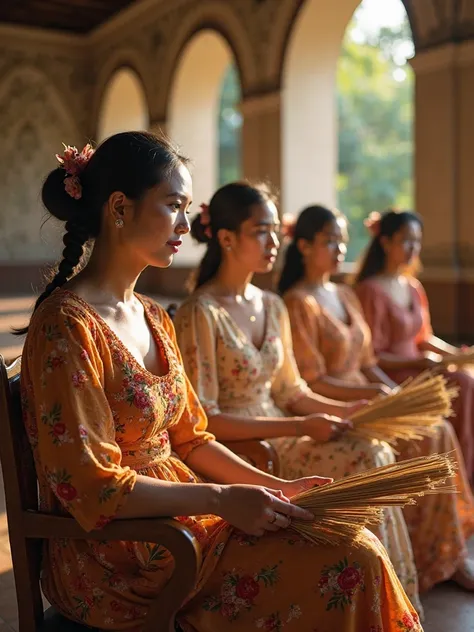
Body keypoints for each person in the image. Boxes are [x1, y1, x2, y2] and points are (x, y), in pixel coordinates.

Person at [18, 133, 421, 632]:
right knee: (348, 564)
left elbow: (191, 437)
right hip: (121, 556)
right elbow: (90, 486)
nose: (187, 226)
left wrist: (280, 489)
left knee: (353, 544)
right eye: (173, 207)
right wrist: (220, 499)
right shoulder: (65, 326)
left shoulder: (151, 316)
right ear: (119, 208)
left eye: (186, 208)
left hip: (183, 521)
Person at [174, 182, 421, 611]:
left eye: (275, 231)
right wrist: (300, 425)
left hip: (285, 430)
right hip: (247, 449)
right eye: (261, 232)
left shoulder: (271, 304)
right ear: (227, 238)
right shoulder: (201, 312)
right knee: (366, 458)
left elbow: (292, 390)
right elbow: (207, 419)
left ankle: (388, 604)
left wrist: (349, 409)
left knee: (372, 445)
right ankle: (371, 603)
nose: (274, 242)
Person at [278, 204, 474, 593]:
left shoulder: (345, 294)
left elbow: (368, 362)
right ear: (303, 246)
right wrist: (373, 393)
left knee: (437, 431)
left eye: (342, 241)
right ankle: (422, 557)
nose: (338, 249)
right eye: (329, 241)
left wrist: (394, 394)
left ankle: (440, 553)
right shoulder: (298, 302)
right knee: (426, 439)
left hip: (367, 395)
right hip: (337, 401)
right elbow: (314, 380)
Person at [354, 209, 474, 484]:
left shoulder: (412, 286)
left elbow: (424, 338)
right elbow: (372, 356)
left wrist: (456, 355)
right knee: (463, 386)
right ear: (385, 242)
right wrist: (419, 363)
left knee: (467, 381)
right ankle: (458, 476)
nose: (413, 248)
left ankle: (464, 474)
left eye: (417, 241)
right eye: (406, 240)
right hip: (394, 375)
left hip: (422, 369)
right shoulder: (370, 290)